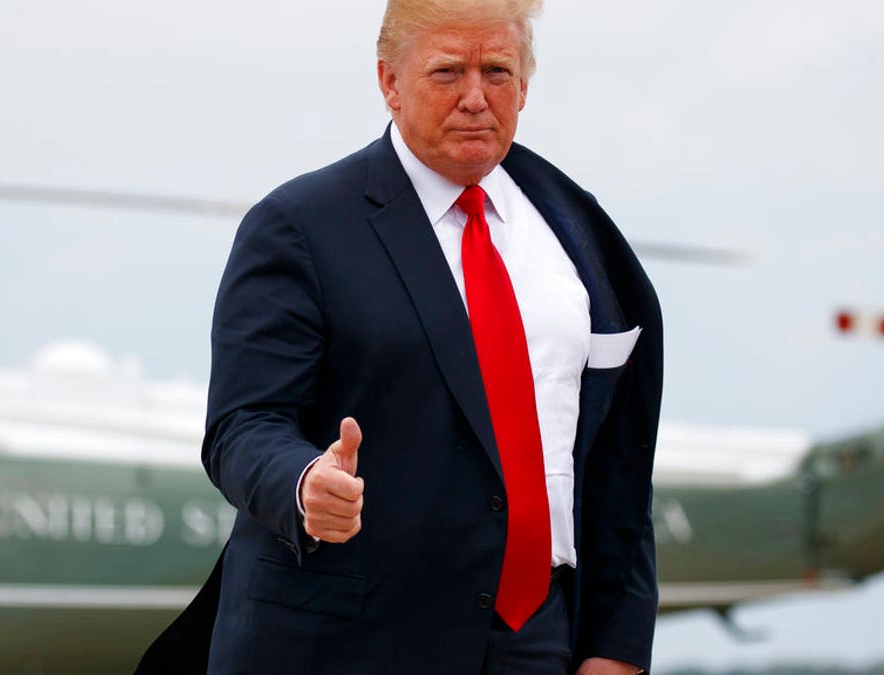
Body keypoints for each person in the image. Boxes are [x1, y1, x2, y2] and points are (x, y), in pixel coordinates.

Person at [136, 0, 662, 673]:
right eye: (447, 72)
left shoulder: (580, 234)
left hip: (535, 642)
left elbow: (617, 458)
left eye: (497, 71)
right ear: (388, 80)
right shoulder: (298, 227)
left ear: (526, 86)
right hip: (348, 643)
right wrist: (304, 482)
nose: (475, 97)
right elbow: (242, 423)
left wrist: (615, 644)